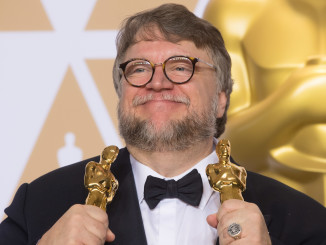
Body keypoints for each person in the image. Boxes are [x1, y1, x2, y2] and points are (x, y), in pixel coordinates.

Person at [0, 3, 325, 245]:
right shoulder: (39, 207)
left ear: (222, 98)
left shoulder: (305, 221)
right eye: (140, 68)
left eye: (181, 66)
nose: (157, 82)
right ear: (122, 91)